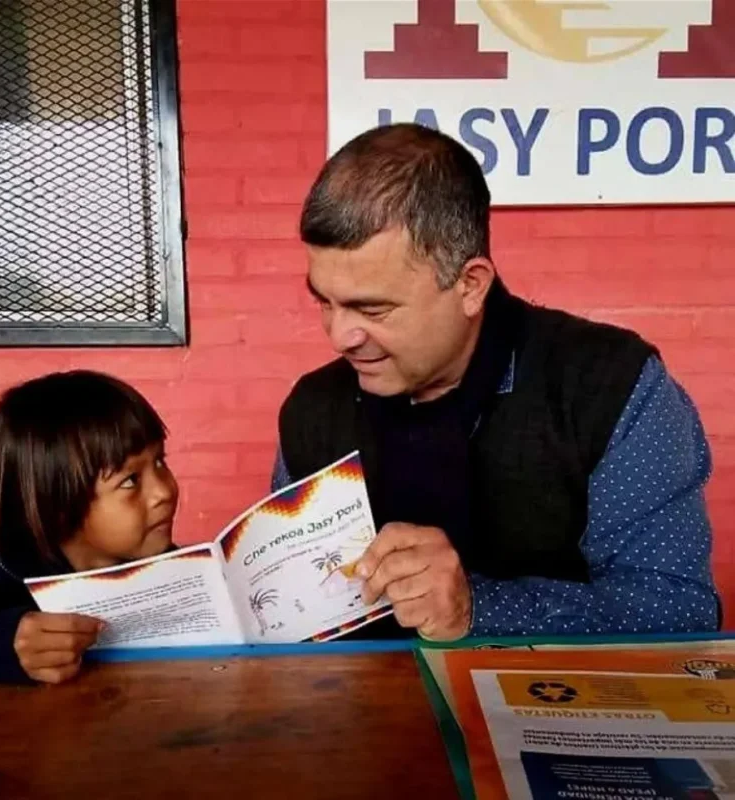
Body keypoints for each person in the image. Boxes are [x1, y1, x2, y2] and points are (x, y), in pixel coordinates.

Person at [272, 123, 719, 642]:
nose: (339, 336)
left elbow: (677, 613)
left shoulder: (610, 387)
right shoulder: (311, 409)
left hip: (562, 717)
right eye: (324, 301)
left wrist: (477, 609)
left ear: (470, 285)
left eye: (372, 308)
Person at [0, 371, 178, 685]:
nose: (164, 492)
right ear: (57, 504)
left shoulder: (166, 564)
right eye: (130, 480)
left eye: (160, 461)